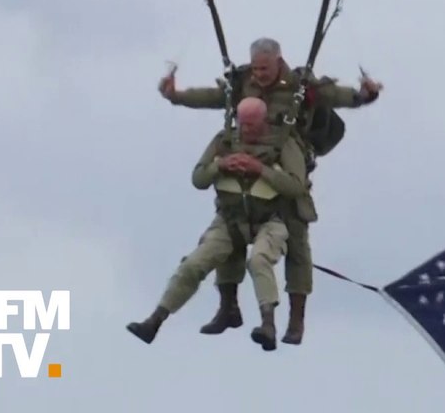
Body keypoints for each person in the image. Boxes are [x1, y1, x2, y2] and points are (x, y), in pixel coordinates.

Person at [158, 37, 383, 345]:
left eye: (264, 68)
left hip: (286, 164)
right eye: (256, 67)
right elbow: (214, 97)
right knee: (231, 228)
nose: (259, 74)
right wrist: (176, 96)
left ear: (279, 60)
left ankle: (296, 320)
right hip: (248, 163)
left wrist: (363, 96)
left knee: (298, 245)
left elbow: (336, 96)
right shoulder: (242, 83)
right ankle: (228, 307)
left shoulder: (300, 86)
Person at [126, 97, 309, 351]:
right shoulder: (224, 141)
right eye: (242, 124)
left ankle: (269, 324)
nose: (246, 131)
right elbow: (198, 178)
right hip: (229, 220)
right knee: (193, 264)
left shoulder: (284, 144)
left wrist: (260, 169)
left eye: (252, 125)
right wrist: (220, 165)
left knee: (259, 260)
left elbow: (295, 187)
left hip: (270, 220)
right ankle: (155, 320)